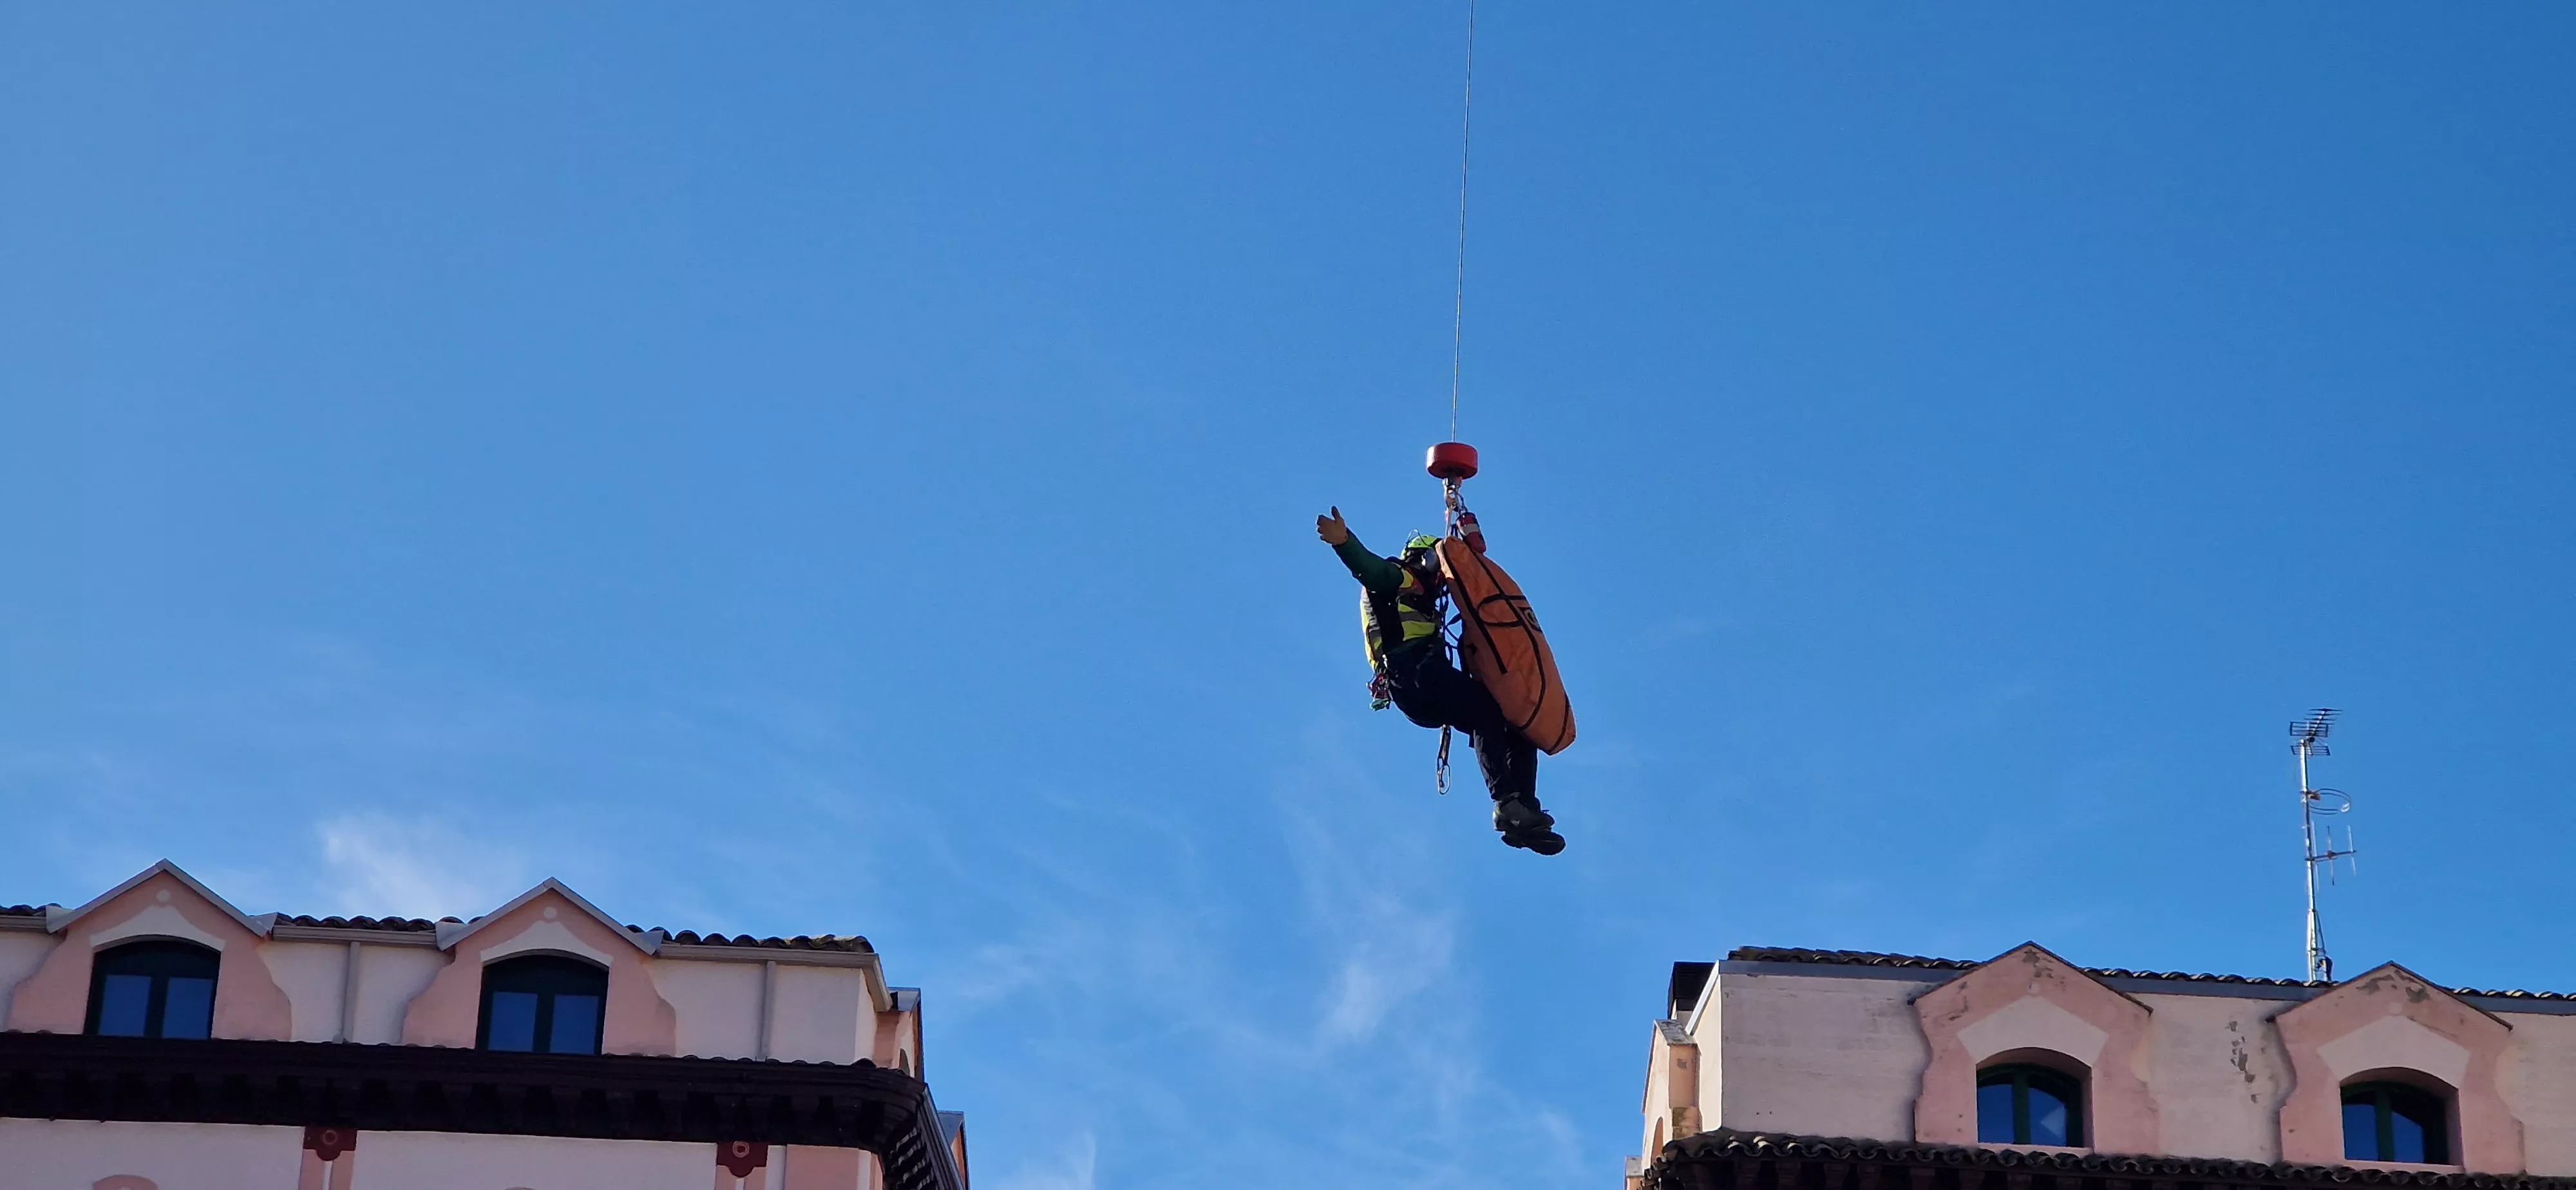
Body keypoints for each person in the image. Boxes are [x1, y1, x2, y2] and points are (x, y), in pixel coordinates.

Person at [1316, 505, 1564, 855]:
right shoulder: (1396, 577)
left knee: (1513, 724)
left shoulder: (1421, 598)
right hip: (1414, 675)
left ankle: (1524, 810)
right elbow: (1372, 571)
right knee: (1484, 711)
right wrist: (1344, 543)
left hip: (1422, 685)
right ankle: (1508, 804)